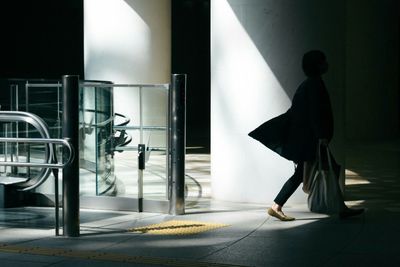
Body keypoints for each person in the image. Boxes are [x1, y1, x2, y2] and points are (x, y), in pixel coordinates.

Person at [266, 50, 364, 221]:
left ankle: (340, 208)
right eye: (323, 61)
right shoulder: (314, 84)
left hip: (310, 140)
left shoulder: (309, 84)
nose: (326, 63)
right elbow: (315, 113)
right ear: (317, 65)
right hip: (313, 140)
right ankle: (277, 205)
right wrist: (321, 136)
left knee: (327, 169)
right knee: (324, 170)